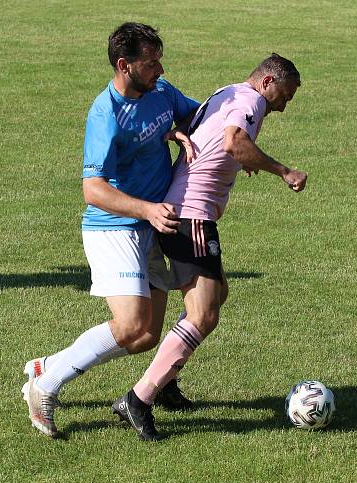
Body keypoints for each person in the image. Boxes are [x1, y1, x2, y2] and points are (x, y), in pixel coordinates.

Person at [112, 53, 308, 440]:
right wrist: (282, 170)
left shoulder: (228, 92)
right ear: (268, 82)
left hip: (187, 212)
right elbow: (234, 142)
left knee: (217, 295)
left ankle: (165, 381)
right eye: (284, 96)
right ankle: (139, 398)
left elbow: (208, 133)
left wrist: (230, 156)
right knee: (203, 315)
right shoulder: (251, 101)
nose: (284, 107)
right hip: (191, 217)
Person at [23, 22, 200, 438]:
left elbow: (193, 114)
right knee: (130, 326)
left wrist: (179, 130)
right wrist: (148, 210)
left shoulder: (161, 92)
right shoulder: (105, 114)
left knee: (146, 336)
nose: (160, 67)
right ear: (125, 65)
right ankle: (45, 386)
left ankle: (46, 365)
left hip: (151, 224)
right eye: (151, 61)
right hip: (114, 226)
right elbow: (93, 189)